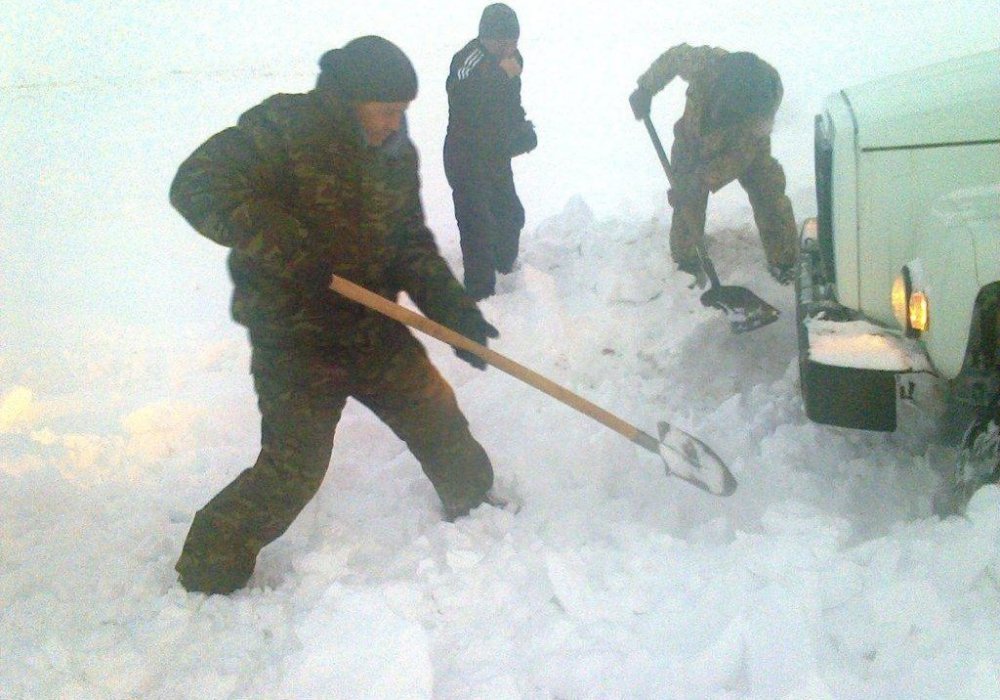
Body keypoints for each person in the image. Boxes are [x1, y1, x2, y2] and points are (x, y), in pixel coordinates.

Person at [168, 36, 502, 595]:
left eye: (403, 113)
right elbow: (195, 185)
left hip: (370, 326)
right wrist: (286, 243)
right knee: (293, 469)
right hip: (294, 336)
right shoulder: (283, 130)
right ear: (349, 100)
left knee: (437, 418)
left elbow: (410, 243)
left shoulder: (395, 153)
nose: (397, 125)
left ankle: (478, 511)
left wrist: (454, 314)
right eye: (387, 111)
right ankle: (208, 567)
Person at [629, 44, 797, 285]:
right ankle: (685, 259)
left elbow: (734, 161)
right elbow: (675, 57)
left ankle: (784, 260)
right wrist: (646, 88)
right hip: (692, 139)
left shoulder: (762, 102)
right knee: (687, 196)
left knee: (767, 186)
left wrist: (699, 180)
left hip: (744, 145)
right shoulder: (707, 63)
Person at [445, 3, 537, 301]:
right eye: (502, 42)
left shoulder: (512, 60)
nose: (508, 47)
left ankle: (505, 273)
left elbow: (510, 103)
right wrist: (501, 75)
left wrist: (521, 129)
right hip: (465, 155)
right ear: (485, 38)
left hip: (495, 155)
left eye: (513, 41)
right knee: (477, 226)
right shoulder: (468, 60)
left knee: (510, 215)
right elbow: (465, 99)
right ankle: (480, 295)